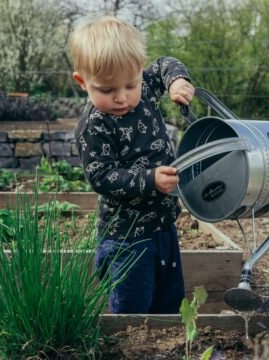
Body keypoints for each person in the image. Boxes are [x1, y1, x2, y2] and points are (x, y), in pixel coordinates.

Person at [69, 15, 195, 314]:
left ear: (139, 72)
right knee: (133, 306)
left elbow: (165, 63)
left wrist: (177, 80)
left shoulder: (147, 88)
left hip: (164, 225)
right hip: (126, 237)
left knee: (169, 298)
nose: (122, 97)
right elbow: (102, 177)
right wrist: (149, 180)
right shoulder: (95, 126)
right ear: (82, 82)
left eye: (130, 84)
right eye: (106, 90)